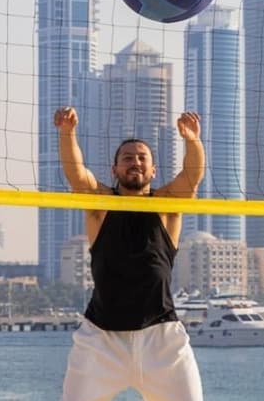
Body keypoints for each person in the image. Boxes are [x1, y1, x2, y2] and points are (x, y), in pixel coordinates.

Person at [54, 106, 206, 401]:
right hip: (101, 341)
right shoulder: (100, 204)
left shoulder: (167, 205)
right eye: (127, 158)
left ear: (153, 170)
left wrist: (192, 140)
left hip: (161, 340)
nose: (134, 162)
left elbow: (192, 177)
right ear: (115, 170)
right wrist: (68, 133)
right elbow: (76, 173)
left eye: (141, 158)